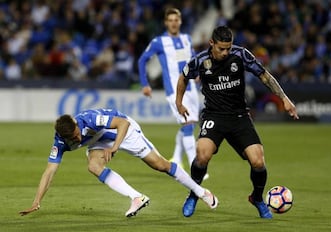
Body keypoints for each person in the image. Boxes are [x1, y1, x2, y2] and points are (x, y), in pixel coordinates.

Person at [176, 26, 299, 219]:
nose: (226, 52)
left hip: (239, 116)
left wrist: (283, 97)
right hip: (213, 116)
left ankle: (257, 198)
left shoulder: (241, 55)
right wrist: (178, 102)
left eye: (228, 48)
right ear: (211, 44)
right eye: (221, 48)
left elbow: (264, 75)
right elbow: (183, 78)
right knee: (202, 155)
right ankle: (194, 194)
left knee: (258, 161)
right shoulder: (200, 61)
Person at [19, 108, 218, 218]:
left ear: (76, 125)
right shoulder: (60, 141)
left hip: (123, 130)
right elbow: (49, 172)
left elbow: (123, 123)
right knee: (93, 166)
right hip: (100, 140)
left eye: (77, 134)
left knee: (160, 165)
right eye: (73, 138)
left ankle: (202, 192)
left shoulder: (88, 120)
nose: (78, 139)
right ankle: (137, 197)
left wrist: (114, 147)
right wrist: (37, 201)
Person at [138, 8, 209, 179]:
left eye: (176, 20)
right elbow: (142, 60)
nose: (173, 23)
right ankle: (195, 166)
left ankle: (177, 157)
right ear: (165, 23)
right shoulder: (159, 41)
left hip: (191, 88)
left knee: (189, 123)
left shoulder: (186, 38)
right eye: (170, 20)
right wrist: (145, 84)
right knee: (187, 124)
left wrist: (198, 72)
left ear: (180, 21)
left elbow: (192, 57)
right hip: (174, 90)